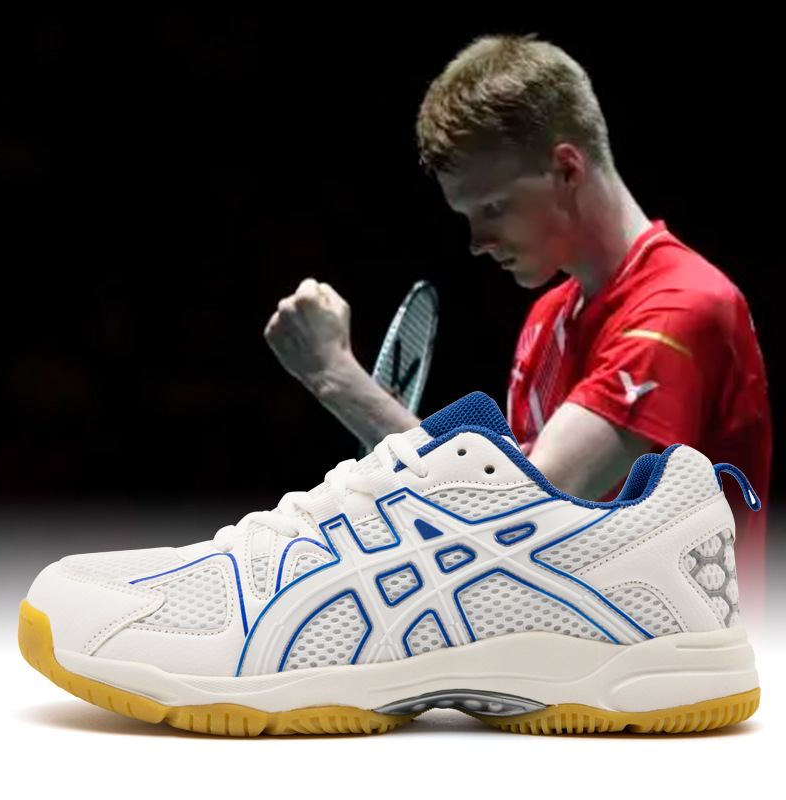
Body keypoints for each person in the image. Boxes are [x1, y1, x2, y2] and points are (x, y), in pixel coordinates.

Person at [264, 33, 771, 628]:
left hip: (682, 655)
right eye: (466, 216)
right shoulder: (547, 319)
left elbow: (525, 505)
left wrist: (335, 377)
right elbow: (503, 520)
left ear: (567, 168)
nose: (477, 242)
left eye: (494, 207)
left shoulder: (683, 308)